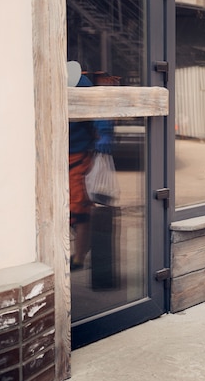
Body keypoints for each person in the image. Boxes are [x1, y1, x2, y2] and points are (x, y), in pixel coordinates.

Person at [69, 67, 114, 271]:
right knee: (74, 210)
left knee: (80, 210)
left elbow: (98, 107)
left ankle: (79, 257)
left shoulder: (80, 82)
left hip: (77, 157)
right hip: (63, 156)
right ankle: (81, 250)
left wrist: (104, 133)